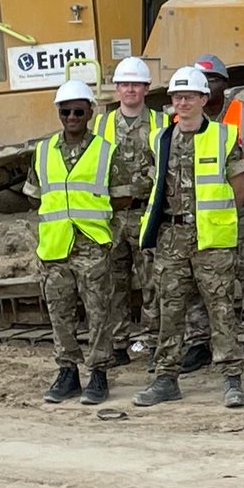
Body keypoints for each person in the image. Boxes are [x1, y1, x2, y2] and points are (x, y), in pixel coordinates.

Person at [132, 66, 244, 409]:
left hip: (212, 239)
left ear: (203, 99)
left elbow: (238, 188)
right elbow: (151, 186)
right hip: (172, 236)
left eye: (189, 97)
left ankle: (231, 379)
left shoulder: (224, 136)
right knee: (170, 311)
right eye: (178, 97)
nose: (183, 103)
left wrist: (217, 220)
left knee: (221, 309)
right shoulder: (160, 139)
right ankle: (166, 379)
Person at [25, 79, 131, 405]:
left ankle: (98, 374)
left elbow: (122, 198)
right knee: (60, 313)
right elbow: (34, 195)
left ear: (89, 113)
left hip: (92, 245)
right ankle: (67, 373)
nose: (72, 117)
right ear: (59, 113)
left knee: (99, 313)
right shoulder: (43, 152)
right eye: (66, 111)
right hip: (55, 247)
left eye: (78, 111)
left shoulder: (106, 152)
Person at [180, 54, 244, 373]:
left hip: (241, 209)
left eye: (213, 80)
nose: (207, 86)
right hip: (200, 212)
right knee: (198, 278)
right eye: (202, 81)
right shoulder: (180, 121)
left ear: (224, 83)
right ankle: (199, 342)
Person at [93, 56, 166, 372]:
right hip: (111, 216)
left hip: (146, 213)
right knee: (113, 284)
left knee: (153, 282)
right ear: (117, 89)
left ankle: (153, 342)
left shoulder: (161, 123)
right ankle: (118, 343)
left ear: (146, 88)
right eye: (124, 84)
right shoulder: (101, 124)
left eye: (136, 84)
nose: (130, 90)